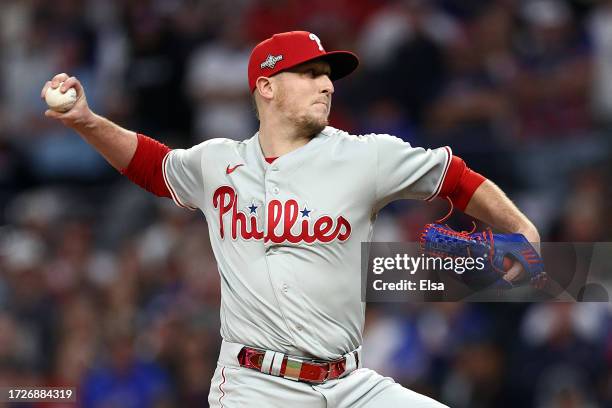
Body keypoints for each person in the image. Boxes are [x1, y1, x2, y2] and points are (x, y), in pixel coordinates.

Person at [42, 31, 540, 407]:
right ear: (267, 87)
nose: (326, 84)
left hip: (349, 386)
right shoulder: (220, 162)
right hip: (253, 385)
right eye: (309, 74)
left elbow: (455, 177)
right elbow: (152, 165)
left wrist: (520, 229)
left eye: (328, 76)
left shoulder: (365, 156)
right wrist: (86, 121)